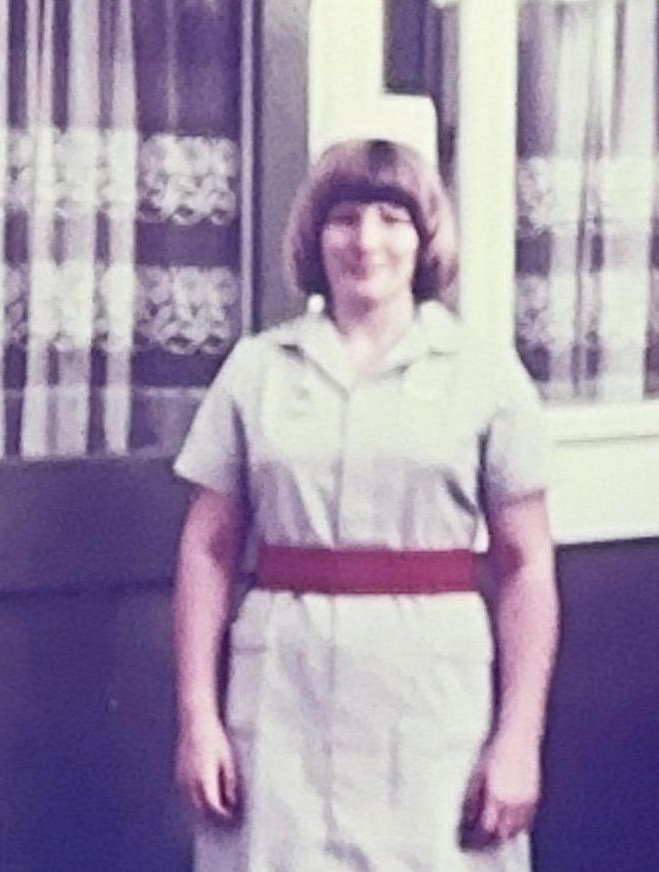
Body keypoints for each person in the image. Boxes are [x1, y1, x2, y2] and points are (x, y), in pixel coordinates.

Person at [170, 138, 559, 871]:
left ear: (425, 236)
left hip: (430, 698)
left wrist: (518, 737)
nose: (367, 240)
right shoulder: (259, 370)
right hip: (283, 696)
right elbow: (208, 547)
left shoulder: (483, 374)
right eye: (344, 218)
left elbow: (526, 564)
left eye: (392, 217)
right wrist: (198, 716)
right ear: (316, 236)